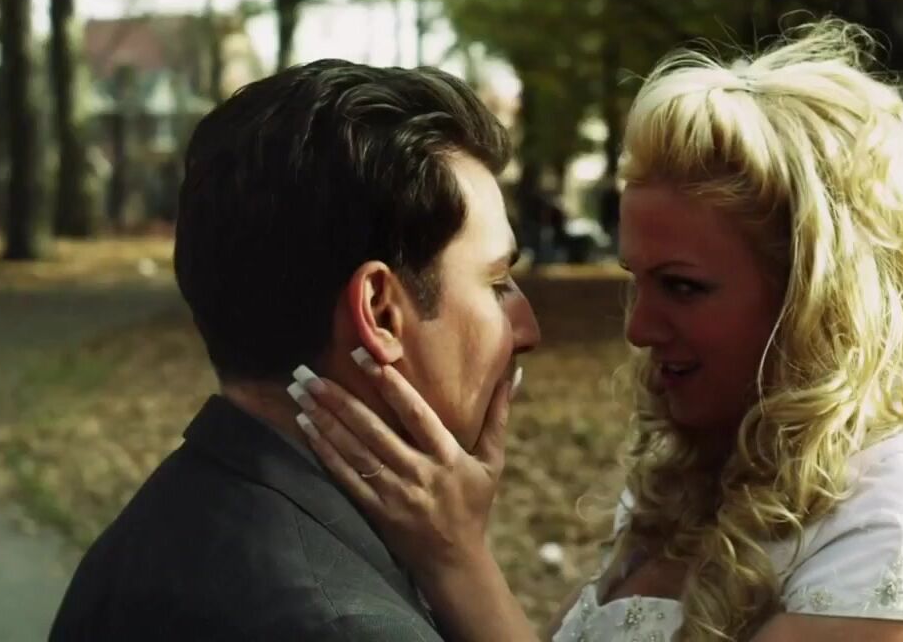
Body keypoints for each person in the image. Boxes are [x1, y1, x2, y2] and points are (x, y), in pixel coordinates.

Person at [294, 20, 903, 641]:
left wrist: (457, 558)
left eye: (682, 287)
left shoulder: (902, 525)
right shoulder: (702, 474)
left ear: (819, 300)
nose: (640, 328)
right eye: (635, 281)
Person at [49, 60, 541, 641]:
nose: (528, 329)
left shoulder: (142, 539)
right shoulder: (348, 626)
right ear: (380, 311)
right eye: (497, 283)